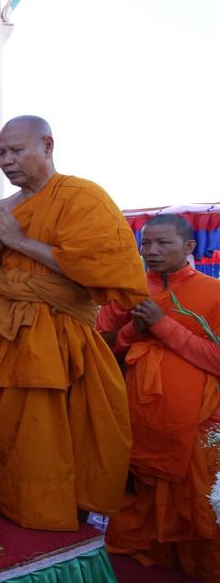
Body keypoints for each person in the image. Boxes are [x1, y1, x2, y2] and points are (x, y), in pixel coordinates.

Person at [0, 115, 147, 531]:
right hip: (5, 334)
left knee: (57, 432)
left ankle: (58, 511)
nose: (7, 161)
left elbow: (98, 268)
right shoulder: (6, 210)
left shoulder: (82, 197)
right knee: (5, 425)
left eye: (17, 150)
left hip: (59, 336)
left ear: (47, 146)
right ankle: (8, 498)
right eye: (1, 152)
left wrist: (18, 241)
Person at [98, 215, 220, 579]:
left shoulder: (213, 293)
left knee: (196, 492)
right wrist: (135, 330)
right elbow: (104, 348)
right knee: (145, 485)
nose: (151, 251)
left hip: (197, 416)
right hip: (142, 412)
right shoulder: (130, 289)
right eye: (146, 243)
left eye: (163, 243)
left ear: (188, 247)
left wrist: (162, 325)